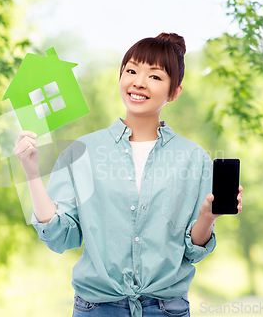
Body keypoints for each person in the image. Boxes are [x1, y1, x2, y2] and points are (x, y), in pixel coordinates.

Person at [13, 32, 244, 317]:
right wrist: (31, 171)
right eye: (131, 71)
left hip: (166, 309)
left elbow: (192, 251)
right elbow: (61, 236)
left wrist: (208, 216)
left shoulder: (193, 158)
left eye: (155, 77)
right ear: (120, 76)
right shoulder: (82, 151)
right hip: (96, 309)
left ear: (175, 92)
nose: (138, 82)